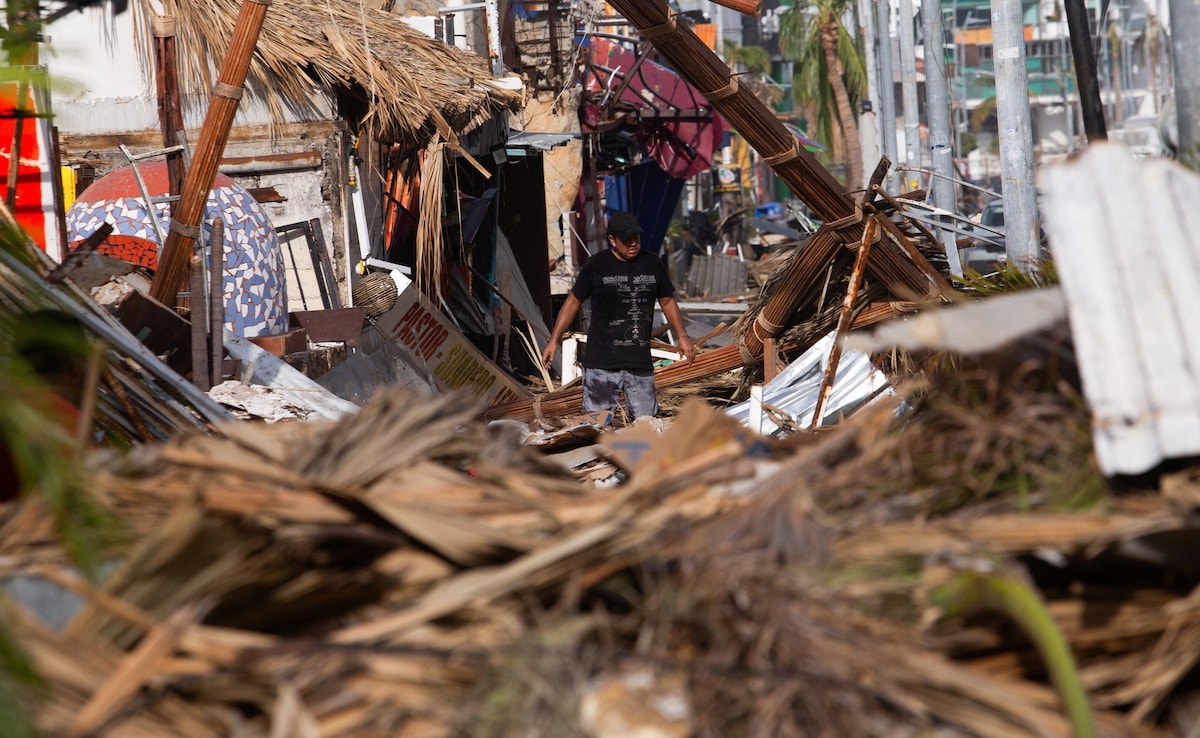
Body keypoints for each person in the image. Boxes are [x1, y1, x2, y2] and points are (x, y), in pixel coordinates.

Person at [541, 211, 695, 419]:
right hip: (601, 364)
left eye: (636, 237)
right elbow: (572, 302)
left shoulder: (652, 263)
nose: (633, 243)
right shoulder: (596, 266)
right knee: (595, 426)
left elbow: (667, 300)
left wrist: (682, 337)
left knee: (646, 424)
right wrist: (554, 340)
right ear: (612, 240)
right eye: (626, 239)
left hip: (639, 363)